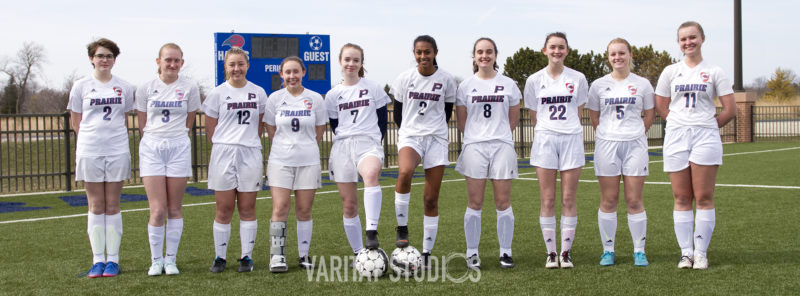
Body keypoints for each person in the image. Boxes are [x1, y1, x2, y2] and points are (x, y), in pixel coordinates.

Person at [655, 21, 736, 270]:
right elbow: (661, 105)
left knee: (703, 196)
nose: (688, 42)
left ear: (702, 38)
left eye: (692, 37)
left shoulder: (714, 71)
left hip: (705, 137)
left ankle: (700, 252)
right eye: (683, 39)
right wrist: (679, 123)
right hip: (677, 136)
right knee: (681, 197)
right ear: (679, 43)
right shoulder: (670, 71)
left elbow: (730, 109)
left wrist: (708, 126)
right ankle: (685, 253)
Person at [68, 38, 135, 278]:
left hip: (117, 149)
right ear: (91, 58)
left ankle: (113, 260)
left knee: (113, 204)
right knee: (96, 205)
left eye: (109, 56)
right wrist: (91, 139)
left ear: (114, 59)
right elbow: (76, 120)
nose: (104, 60)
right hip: (90, 150)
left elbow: (124, 115)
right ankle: (98, 260)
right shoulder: (81, 86)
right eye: (100, 56)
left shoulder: (125, 87)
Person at [390, 35, 457, 267]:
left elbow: (447, 112)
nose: (423, 56)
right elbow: (398, 114)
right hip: (411, 135)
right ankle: (402, 227)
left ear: (435, 52)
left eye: (427, 52)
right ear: (414, 53)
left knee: (430, 199)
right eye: (419, 52)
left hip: (437, 139)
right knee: (405, 171)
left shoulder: (447, 79)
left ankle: (427, 254)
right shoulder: (404, 79)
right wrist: (412, 130)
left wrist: (432, 129)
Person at [587, 38, 654, 267]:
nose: (618, 57)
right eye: (613, 54)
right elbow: (595, 117)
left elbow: (650, 114)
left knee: (634, 200)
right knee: (609, 199)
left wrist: (635, 132)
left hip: (635, 144)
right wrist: (609, 133)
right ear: (608, 57)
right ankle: (608, 250)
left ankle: (639, 250)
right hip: (607, 145)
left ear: (630, 55)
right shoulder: (598, 85)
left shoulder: (643, 84)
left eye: (622, 53)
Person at [523, 32, 588, 269]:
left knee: (569, 197)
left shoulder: (578, 78)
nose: (557, 51)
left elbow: (578, 111)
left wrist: (565, 129)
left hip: (571, 139)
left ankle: (565, 252)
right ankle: (551, 253)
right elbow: (533, 115)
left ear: (567, 51)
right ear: (545, 50)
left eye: (561, 47)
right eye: (552, 47)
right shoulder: (534, 80)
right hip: (545, 140)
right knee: (548, 198)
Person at [455, 37, 520, 270]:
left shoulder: (509, 84)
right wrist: (477, 136)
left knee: (503, 201)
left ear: (495, 55)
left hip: (501, 145)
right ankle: (472, 252)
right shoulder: (465, 86)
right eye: (480, 52)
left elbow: (513, 117)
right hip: (475, 146)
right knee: (475, 201)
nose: (484, 55)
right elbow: (462, 120)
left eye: (489, 52)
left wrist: (498, 134)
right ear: (474, 56)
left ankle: (506, 251)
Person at [135, 43, 200, 276]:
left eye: (177, 60)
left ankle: (171, 259)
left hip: (178, 147)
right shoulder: (145, 88)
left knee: (174, 207)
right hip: (152, 147)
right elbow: (143, 123)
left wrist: (175, 138)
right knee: (158, 209)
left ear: (182, 62)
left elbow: (189, 121)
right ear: (158, 62)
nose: (172, 64)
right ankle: (156, 260)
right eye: (168, 60)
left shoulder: (190, 87)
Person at [202, 47, 268, 273]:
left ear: (247, 66)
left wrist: (246, 141)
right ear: (226, 67)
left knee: (248, 207)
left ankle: (246, 257)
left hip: (249, 151)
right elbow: (210, 127)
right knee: (224, 208)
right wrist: (224, 144)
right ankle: (220, 257)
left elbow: (259, 124)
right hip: (223, 152)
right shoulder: (217, 93)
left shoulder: (258, 92)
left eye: (241, 64)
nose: (236, 68)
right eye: (232, 64)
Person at [325, 43, 390, 258]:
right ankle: (358, 253)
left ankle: (371, 230)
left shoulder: (373, 87)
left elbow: (382, 120)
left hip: (368, 143)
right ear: (340, 62)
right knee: (349, 205)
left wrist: (373, 139)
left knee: (371, 174)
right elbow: (335, 124)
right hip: (343, 147)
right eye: (347, 59)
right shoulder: (333, 95)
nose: (351, 64)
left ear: (362, 63)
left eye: (356, 60)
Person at [262, 56, 326, 272]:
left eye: (295, 71)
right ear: (281, 74)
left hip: (308, 161)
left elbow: (319, 130)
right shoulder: (274, 99)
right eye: (287, 72)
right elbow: (271, 129)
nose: (292, 76)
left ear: (303, 72)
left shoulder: (315, 99)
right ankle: (277, 256)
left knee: (304, 210)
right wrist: (285, 147)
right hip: (280, 160)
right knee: (280, 207)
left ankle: (303, 254)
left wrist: (303, 147)